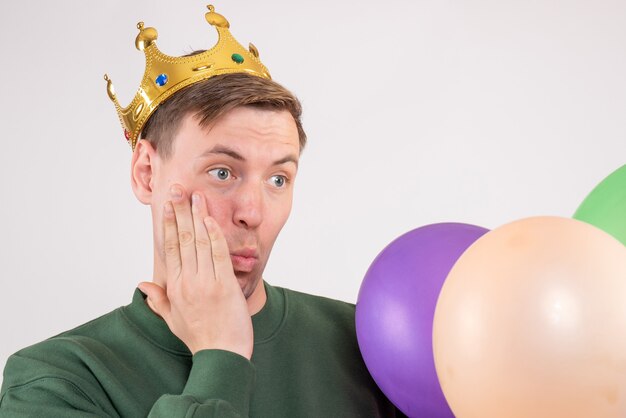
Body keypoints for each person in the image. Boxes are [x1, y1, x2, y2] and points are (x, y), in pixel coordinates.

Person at [0, 5, 404, 417]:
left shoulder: (371, 344)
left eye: (278, 179)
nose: (253, 212)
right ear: (146, 174)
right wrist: (220, 355)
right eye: (223, 172)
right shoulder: (55, 381)